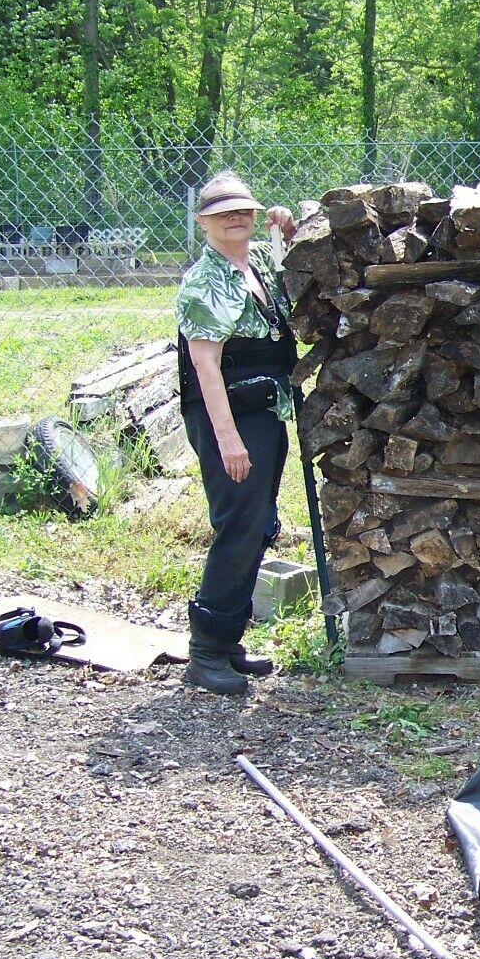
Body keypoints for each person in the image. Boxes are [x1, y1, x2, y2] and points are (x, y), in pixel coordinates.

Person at [174, 170, 299, 694]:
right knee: (238, 525)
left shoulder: (258, 263)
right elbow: (205, 367)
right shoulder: (203, 281)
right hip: (229, 415)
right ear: (203, 222)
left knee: (258, 523)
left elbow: (293, 269)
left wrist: (287, 230)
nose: (235, 217)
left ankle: (228, 643)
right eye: (223, 212)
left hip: (263, 410)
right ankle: (205, 653)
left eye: (243, 209)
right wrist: (229, 441)